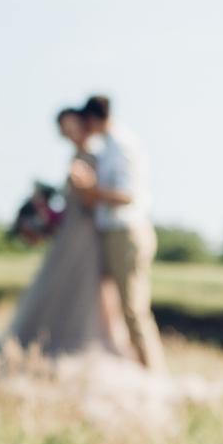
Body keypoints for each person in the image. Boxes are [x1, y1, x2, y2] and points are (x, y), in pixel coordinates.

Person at [3, 109, 126, 357]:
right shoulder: (77, 155)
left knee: (85, 292)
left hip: (86, 236)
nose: (71, 135)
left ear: (85, 125)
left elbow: (93, 200)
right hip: (68, 233)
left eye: (74, 128)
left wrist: (86, 187)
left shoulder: (94, 156)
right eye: (66, 131)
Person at [70, 95, 166, 372]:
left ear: (92, 119)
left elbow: (127, 196)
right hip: (113, 233)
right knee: (113, 308)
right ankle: (137, 365)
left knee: (134, 309)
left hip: (127, 233)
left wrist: (91, 189)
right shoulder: (108, 146)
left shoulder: (123, 146)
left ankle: (155, 373)